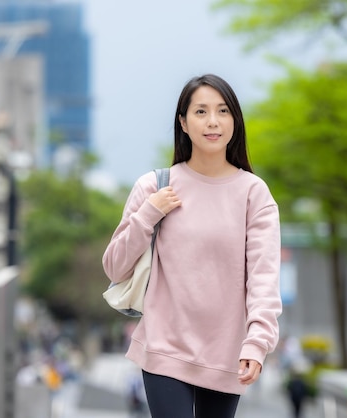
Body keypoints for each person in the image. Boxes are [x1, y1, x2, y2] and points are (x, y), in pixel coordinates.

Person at [102, 73, 282, 418]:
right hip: (165, 346)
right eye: (201, 112)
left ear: (235, 121)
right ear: (183, 122)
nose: (213, 122)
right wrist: (148, 214)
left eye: (223, 111)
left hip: (228, 352)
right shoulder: (154, 186)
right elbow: (114, 267)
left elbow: (263, 279)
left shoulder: (253, 194)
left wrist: (257, 343)